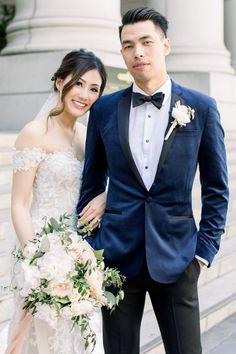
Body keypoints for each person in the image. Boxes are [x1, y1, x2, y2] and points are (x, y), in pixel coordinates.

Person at [77, 7, 229, 354]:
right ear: (122, 53)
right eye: (128, 45)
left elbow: (217, 188)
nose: (138, 52)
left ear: (166, 45)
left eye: (146, 42)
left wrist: (203, 254)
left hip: (178, 258)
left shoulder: (200, 107)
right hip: (116, 259)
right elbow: (91, 183)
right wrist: (92, 247)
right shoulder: (104, 109)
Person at [7, 49, 107, 354]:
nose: (85, 95)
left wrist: (106, 195)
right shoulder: (34, 133)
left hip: (81, 252)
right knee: (46, 338)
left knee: (82, 337)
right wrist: (37, 262)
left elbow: (100, 184)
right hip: (40, 246)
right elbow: (19, 205)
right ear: (60, 82)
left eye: (94, 89)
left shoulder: (87, 136)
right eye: (79, 84)